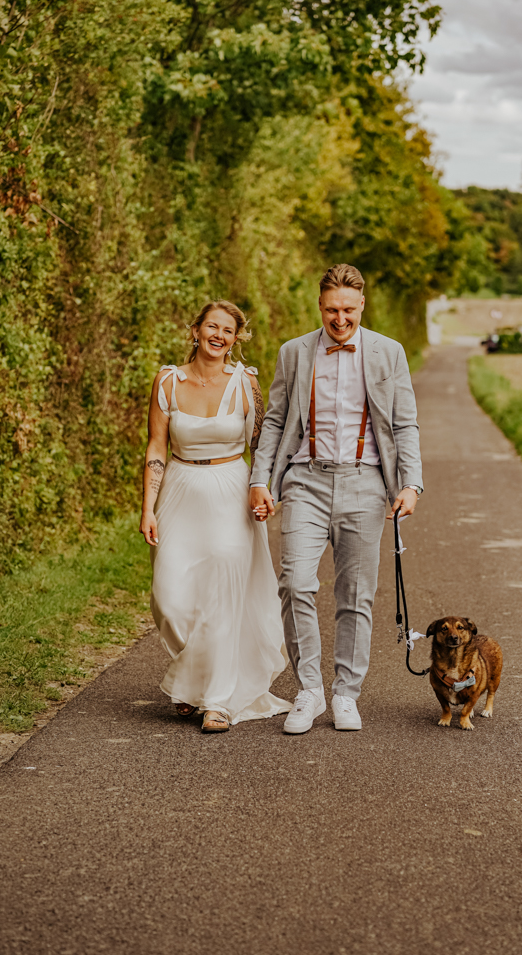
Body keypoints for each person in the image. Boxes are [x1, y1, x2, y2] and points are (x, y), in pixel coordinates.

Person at [250, 264, 423, 734]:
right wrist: (260, 478)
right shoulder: (294, 352)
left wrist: (411, 484)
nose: (339, 319)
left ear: (362, 304)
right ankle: (309, 690)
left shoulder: (389, 352)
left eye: (348, 309)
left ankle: (346, 694)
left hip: (367, 485)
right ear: (319, 305)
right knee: (295, 583)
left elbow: (405, 423)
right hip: (305, 481)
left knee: (355, 596)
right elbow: (275, 419)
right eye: (331, 309)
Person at [140, 301, 291, 733]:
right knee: (170, 598)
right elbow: (156, 447)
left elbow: (261, 446)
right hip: (180, 490)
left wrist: (265, 491)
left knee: (224, 594)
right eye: (212, 326)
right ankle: (193, 678)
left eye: (228, 330)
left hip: (231, 490)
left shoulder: (246, 384)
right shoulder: (167, 381)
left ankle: (219, 700)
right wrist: (147, 507)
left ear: (236, 338)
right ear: (195, 330)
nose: (219, 336)